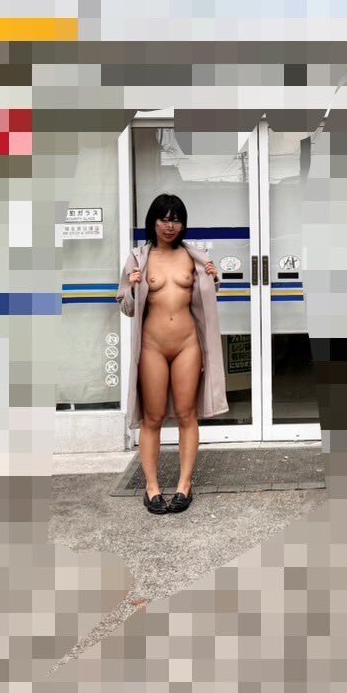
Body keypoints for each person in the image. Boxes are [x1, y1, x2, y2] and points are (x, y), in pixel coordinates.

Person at [117, 193, 228, 514]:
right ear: (153, 222)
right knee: (152, 418)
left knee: (186, 414)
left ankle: (184, 485)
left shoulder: (194, 257)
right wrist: (133, 287)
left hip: (187, 345)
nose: (170, 226)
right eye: (164, 220)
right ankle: (152, 488)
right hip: (152, 346)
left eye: (176, 220)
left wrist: (213, 279)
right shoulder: (138, 259)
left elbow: (208, 294)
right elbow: (125, 306)